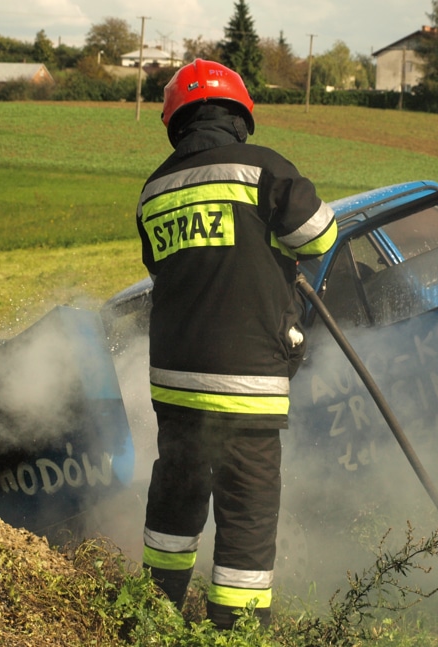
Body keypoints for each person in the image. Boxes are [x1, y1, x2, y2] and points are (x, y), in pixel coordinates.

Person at [136, 59, 337, 630]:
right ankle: (234, 634)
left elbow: (163, 267)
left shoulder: (155, 189)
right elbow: (320, 234)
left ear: (176, 121)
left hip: (175, 384)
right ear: (240, 114)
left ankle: (153, 618)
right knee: (246, 514)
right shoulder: (263, 168)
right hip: (246, 383)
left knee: (175, 498)